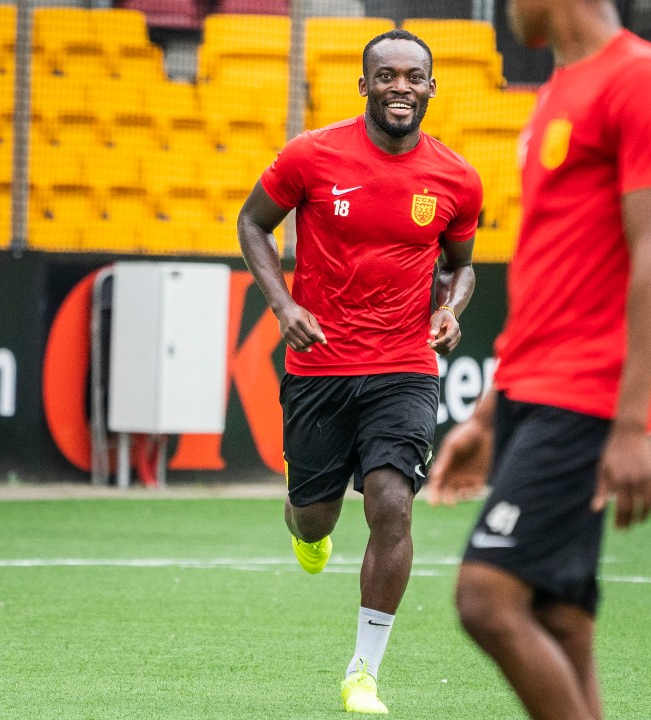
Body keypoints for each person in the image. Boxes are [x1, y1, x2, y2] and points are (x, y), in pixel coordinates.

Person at [433, 1, 651, 719]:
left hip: (587, 398)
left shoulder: (642, 80)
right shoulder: (555, 91)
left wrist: (633, 425)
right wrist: (490, 412)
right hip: (533, 393)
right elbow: (549, 275)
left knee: (486, 598)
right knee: (560, 620)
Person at [237, 28, 482, 715]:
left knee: (392, 504)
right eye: (387, 75)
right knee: (313, 520)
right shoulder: (311, 156)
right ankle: (306, 523)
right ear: (365, 84)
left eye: (414, 76)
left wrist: (451, 308)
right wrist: (282, 303)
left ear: (431, 87)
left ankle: (363, 674)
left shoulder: (456, 177)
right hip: (319, 363)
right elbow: (252, 223)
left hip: (405, 364)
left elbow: (462, 267)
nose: (400, 86)